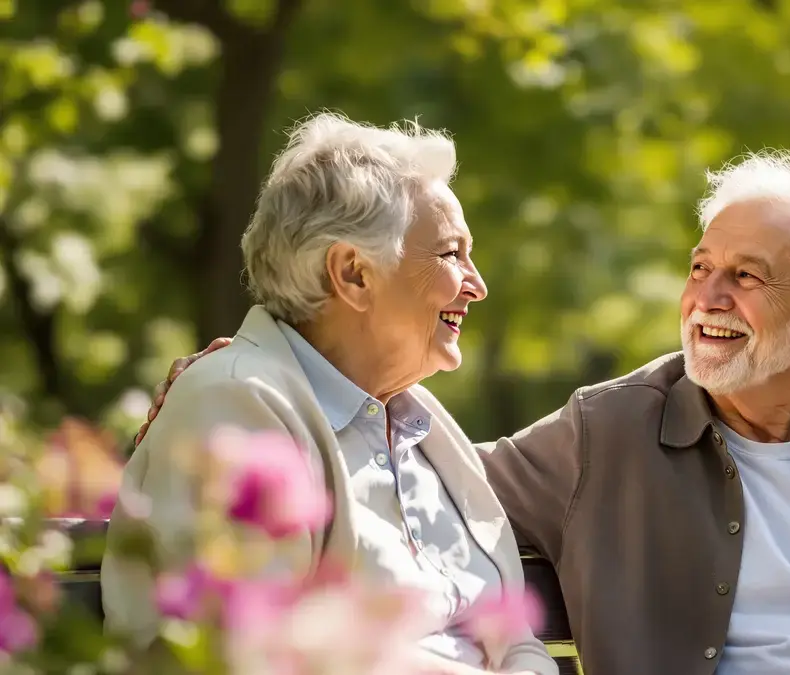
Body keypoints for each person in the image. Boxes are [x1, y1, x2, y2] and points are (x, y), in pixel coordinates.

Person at [141, 152, 790, 675]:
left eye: (747, 279)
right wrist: (259, 385)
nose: (707, 299)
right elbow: (425, 486)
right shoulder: (609, 430)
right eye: (700, 269)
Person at [103, 113, 556, 675]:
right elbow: (246, 655)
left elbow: (515, 640)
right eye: (450, 254)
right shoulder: (235, 404)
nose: (477, 283)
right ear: (354, 274)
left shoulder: (422, 425)